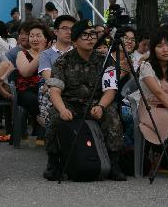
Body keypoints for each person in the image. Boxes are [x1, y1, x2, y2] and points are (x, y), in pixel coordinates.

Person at [44, 20, 126, 181]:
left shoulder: (105, 59)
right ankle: (54, 162)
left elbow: (110, 90)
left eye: (93, 35)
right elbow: (54, 91)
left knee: (112, 114)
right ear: (74, 41)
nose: (90, 38)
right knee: (54, 115)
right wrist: (62, 109)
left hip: (96, 102)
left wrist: (101, 105)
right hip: (71, 103)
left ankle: (114, 163)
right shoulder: (63, 62)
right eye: (85, 35)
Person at [136, 28, 168, 179]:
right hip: (152, 109)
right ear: (153, 49)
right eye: (160, 46)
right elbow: (159, 94)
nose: (165, 49)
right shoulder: (147, 67)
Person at [16, 23, 50, 140]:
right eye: (32, 36)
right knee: (35, 100)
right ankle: (42, 124)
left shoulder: (52, 53)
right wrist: (41, 54)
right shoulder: (22, 54)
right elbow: (26, 72)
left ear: (46, 38)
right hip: (27, 89)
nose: (34, 39)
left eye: (38, 36)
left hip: (46, 87)